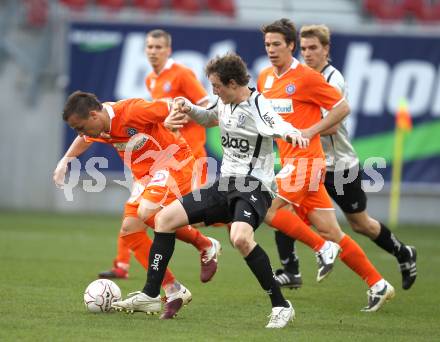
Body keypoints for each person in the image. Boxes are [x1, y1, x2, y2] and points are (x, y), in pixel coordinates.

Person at [112, 53, 309, 328]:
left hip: (253, 186)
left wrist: (291, 134)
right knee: (164, 219)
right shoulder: (225, 102)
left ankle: (281, 305)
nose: (213, 91)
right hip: (225, 184)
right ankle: (150, 294)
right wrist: (187, 106)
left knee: (240, 238)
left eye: (216, 86)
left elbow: (276, 124)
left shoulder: (257, 104)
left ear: (231, 83)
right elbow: (207, 117)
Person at [258, 18, 395, 312]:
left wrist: (310, 131)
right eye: (267, 44)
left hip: (308, 163)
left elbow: (342, 107)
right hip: (291, 163)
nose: (271, 49)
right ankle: (378, 284)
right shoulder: (265, 78)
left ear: (290, 46)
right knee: (333, 231)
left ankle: (322, 250)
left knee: (267, 209)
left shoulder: (306, 77)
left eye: (277, 44)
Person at [53, 91, 221, 319]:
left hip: (174, 163)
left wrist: (172, 116)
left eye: (80, 127)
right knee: (130, 231)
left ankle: (201, 246)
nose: (80, 133)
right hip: (146, 177)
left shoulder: (131, 111)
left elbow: (170, 104)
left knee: (147, 212)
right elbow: (84, 139)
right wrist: (66, 160)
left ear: (93, 115)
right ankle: (173, 289)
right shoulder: (98, 126)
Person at [98, 29, 211, 280]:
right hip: (163, 158)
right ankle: (122, 264)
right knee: (137, 210)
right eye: (149, 47)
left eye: (158, 47)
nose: (153, 51)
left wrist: (181, 117)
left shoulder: (182, 73)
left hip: (187, 154)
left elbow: (205, 105)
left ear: (168, 50)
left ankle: (227, 226)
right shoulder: (151, 79)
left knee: (187, 215)